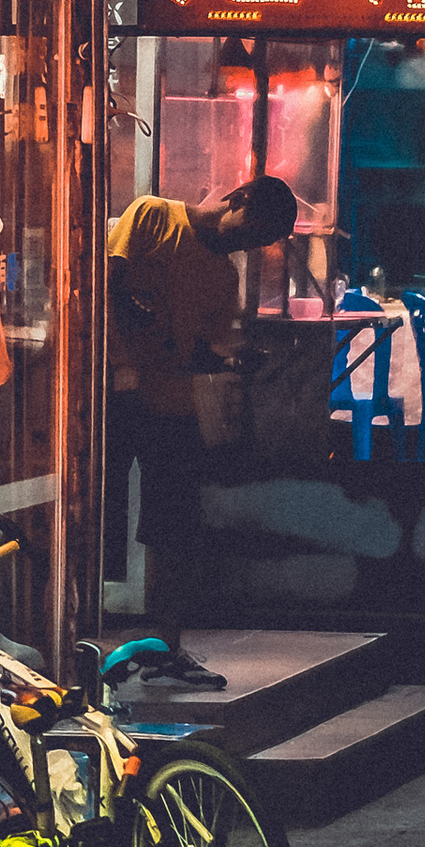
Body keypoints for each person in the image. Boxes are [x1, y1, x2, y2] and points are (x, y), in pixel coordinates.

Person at [104, 173, 299, 685]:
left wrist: (228, 363)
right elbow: (107, 279)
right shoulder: (151, 215)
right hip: (111, 394)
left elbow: (199, 352)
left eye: (257, 244)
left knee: (175, 524)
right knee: (95, 515)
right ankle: (79, 635)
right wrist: (135, 311)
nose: (245, 245)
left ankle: (167, 644)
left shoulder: (223, 278)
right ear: (237, 199)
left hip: (170, 404)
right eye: (249, 231)